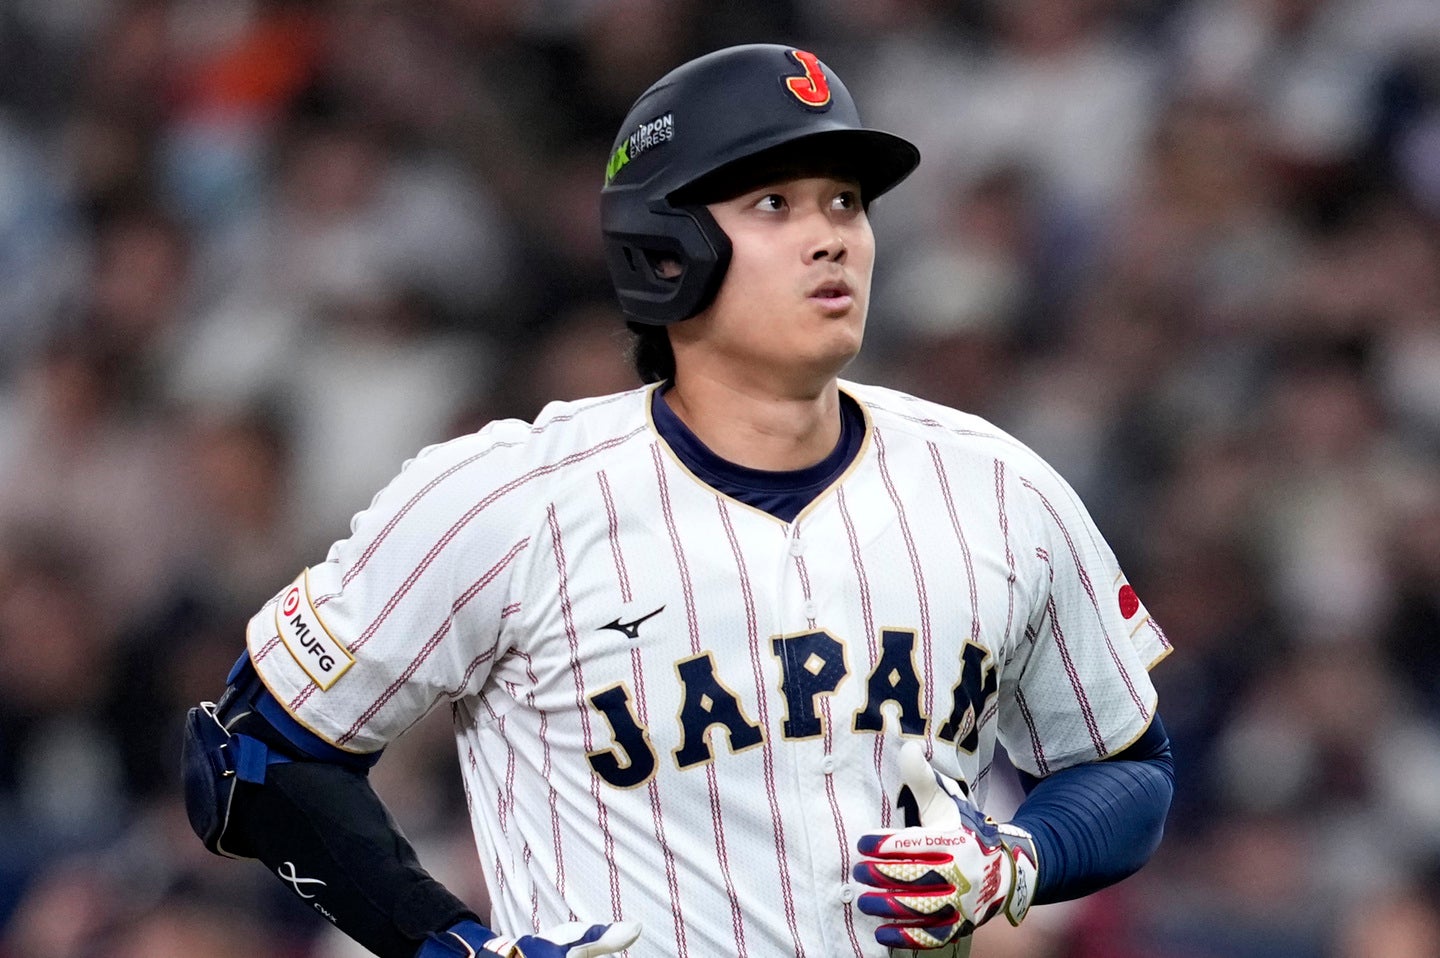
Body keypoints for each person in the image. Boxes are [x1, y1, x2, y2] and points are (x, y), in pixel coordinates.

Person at [182, 43, 1175, 958]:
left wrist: (1020, 857)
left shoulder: (999, 486)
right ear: (665, 248)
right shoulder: (506, 498)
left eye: (845, 203)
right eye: (777, 205)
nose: (832, 238)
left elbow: (1130, 765)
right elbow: (251, 759)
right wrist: (453, 948)